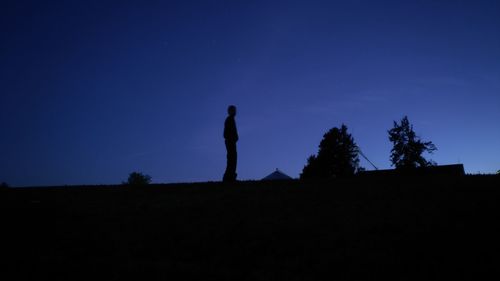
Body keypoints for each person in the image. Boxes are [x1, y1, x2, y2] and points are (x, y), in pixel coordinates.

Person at [223, 105, 238, 182]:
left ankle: (231, 176)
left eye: (235, 110)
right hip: (230, 142)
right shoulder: (229, 120)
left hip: (231, 142)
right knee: (232, 159)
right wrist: (232, 138)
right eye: (233, 110)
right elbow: (225, 134)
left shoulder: (231, 119)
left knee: (233, 159)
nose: (235, 112)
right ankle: (228, 177)